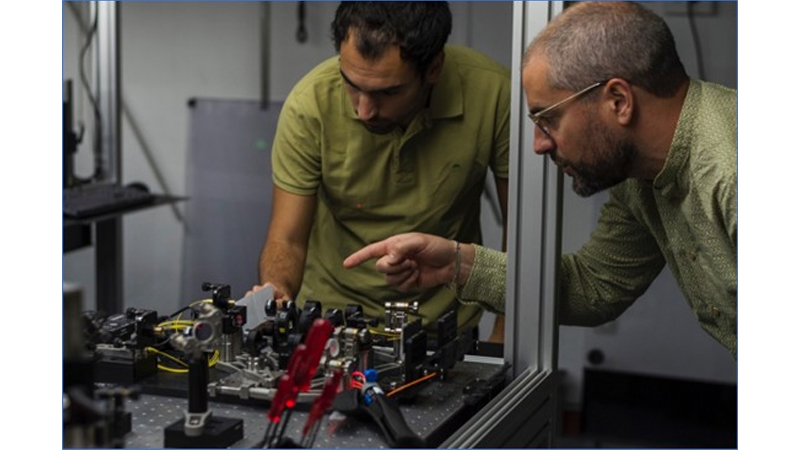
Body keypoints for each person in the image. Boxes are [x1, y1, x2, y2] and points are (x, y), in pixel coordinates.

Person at [343, 2, 737, 358]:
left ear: (618, 101)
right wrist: (457, 264)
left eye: (548, 118)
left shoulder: (732, 175)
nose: (538, 145)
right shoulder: (641, 178)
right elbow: (597, 286)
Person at [254, 2, 510, 338]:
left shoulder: (494, 94)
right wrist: (277, 292)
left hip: (445, 327)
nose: (364, 110)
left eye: (388, 92)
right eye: (351, 84)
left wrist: (504, 340)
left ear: (433, 68)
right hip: (331, 323)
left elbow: (523, 238)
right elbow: (287, 238)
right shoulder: (310, 104)